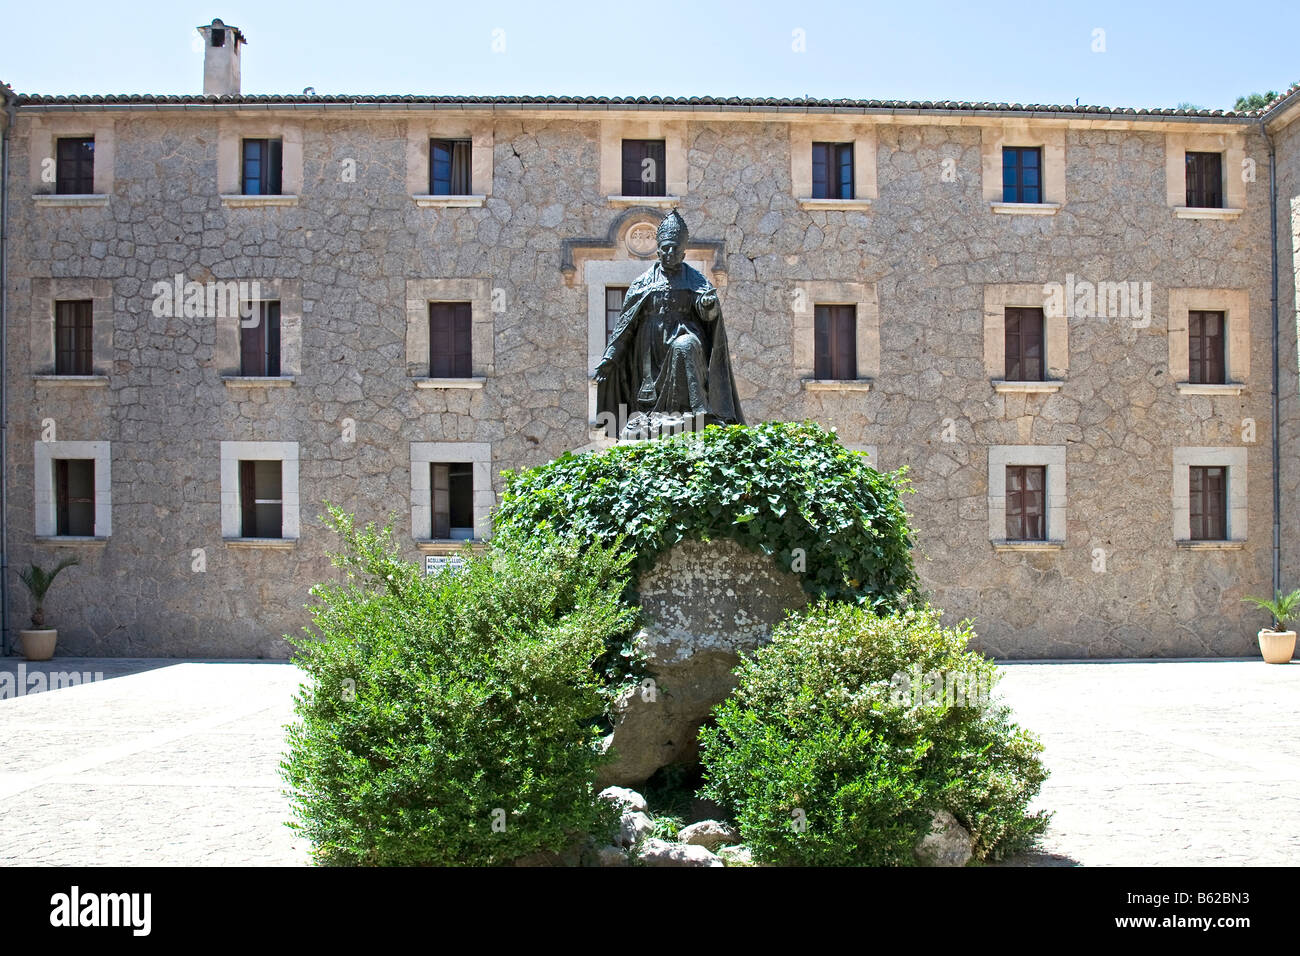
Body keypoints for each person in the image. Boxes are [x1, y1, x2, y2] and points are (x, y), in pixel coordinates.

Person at [594, 210, 744, 440]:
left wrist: (708, 305)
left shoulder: (695, 279)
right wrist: (610, 358)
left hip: (683, 337)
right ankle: (654, 417)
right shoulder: (643, 282)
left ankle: (698, 412)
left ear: (683, 253)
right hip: (649, 351)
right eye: (665, 248)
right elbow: (626, 326)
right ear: (658, 250)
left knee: (685, 346)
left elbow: (707, 309)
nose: (669, 252)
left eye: (674, 248)